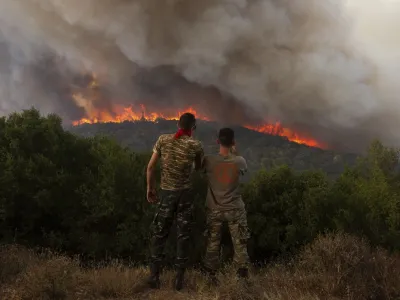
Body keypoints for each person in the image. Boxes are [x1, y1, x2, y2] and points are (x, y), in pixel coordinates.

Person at [146, 112, 204, 291]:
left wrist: (150, 188)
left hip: (166, 194)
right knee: (183, 236)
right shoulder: (195, 145)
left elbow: (150, 167)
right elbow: (199, 167)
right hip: (184, 195)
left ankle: (154, 277)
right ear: (192, 128)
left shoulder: (163, 140)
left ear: (178, 125)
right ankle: (179, 280)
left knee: (160, 234)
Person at [201, 127, 250, 284]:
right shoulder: (239, 161)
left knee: (212, 243)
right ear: (233, 142)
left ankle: (210, 276)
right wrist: (234, 151)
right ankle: (241, 278)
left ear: (217, 141)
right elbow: (243, 169)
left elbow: (197, 167)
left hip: (215, 209)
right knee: (240, 243)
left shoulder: (208, 161)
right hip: (235, 209)